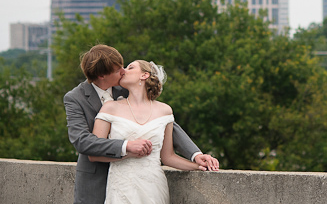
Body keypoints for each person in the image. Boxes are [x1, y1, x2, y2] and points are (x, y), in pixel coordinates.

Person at [64, 45, 219, 204]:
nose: (123, 71)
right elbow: (82, 141)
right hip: (96, 181)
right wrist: (127, 147)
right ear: (102, 75)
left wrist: (196, 155)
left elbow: (163, 125)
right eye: (118, 69)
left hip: (150, 184)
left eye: (125, 67)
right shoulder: (75, 98)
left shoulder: (126, 86)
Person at [89, 60, 200, 203]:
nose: (123, 70)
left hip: (154, 188)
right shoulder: (110, 108)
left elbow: (168, 157)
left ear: (144, 75)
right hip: (121, 188)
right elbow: (93, 153)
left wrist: (199, 166)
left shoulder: (165, 111)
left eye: (130, 67)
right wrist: (128, 152)